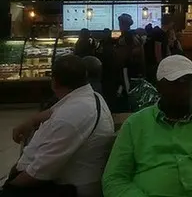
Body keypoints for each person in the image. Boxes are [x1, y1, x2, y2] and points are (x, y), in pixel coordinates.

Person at [102, 55, 192, 197]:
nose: (185, 90)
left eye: (190, 83)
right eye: (176, 83)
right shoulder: (134, 124)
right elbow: (114, 179)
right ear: (159, 87)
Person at [7, 55, 114, 197]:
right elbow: (54, 110)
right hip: (72, 179)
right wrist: (31, 121)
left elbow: (39, 173)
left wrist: (9, 186)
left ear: (54, 82)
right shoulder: (90, 97)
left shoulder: (71, 117)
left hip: (68, 187)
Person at [144, 14, 172, 83]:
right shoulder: (160, 34)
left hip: (153, 63)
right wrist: (161, 65)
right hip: (155, 65)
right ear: (170, 23)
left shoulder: (161, 33)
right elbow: (157, 51)